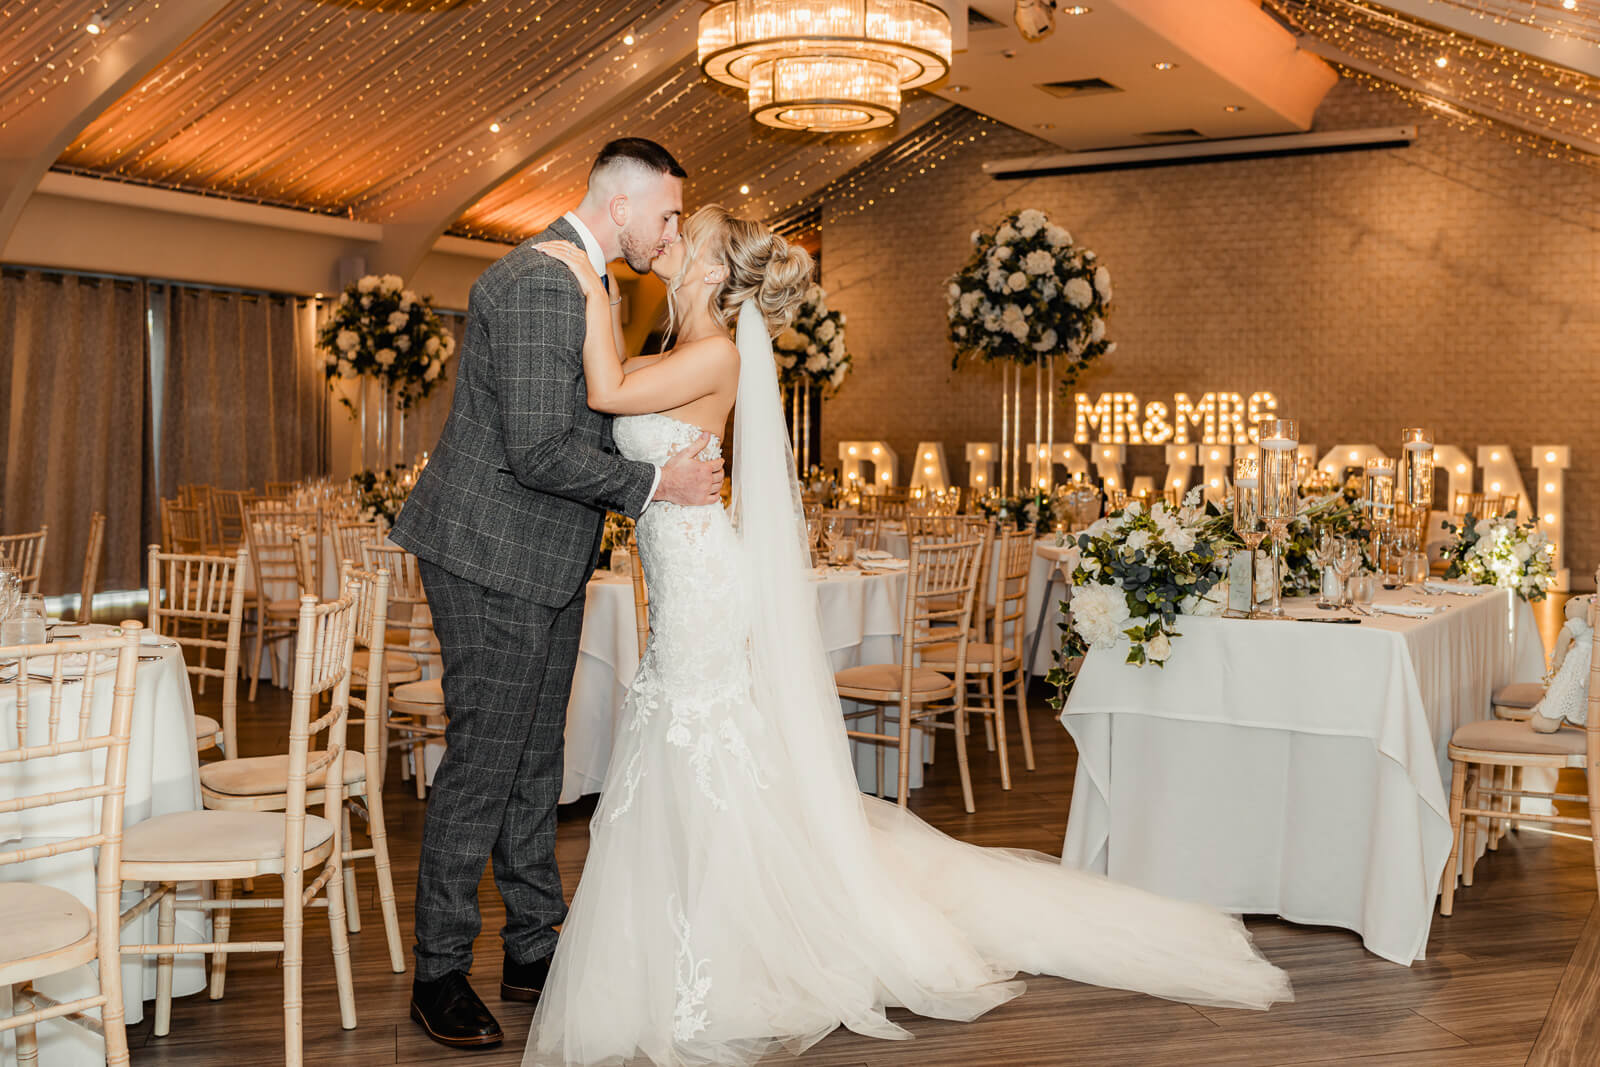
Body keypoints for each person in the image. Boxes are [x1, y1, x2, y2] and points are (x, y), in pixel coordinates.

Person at [522, 205, 1292, 1067]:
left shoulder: (710, 354)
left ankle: (732, 937)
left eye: (683, 232)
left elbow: (606, 392)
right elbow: (626, 407)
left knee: (700, 737)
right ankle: (697, 921)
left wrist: (587, 289)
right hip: (681, 569)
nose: (667, 238)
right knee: (691, 740)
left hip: (703, 581)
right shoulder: (679, 349)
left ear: (709, 267)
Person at [389, 138, 724, 1050]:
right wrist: (659, 488)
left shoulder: (587, 275)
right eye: (666, 213)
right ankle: (439, 970)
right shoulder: (546, 280)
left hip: (541, 557)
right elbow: (539, 448)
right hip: (492, 555)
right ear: (621, 207)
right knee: (486, 762)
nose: (672, 229)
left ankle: (532, 945)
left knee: (537, 757)